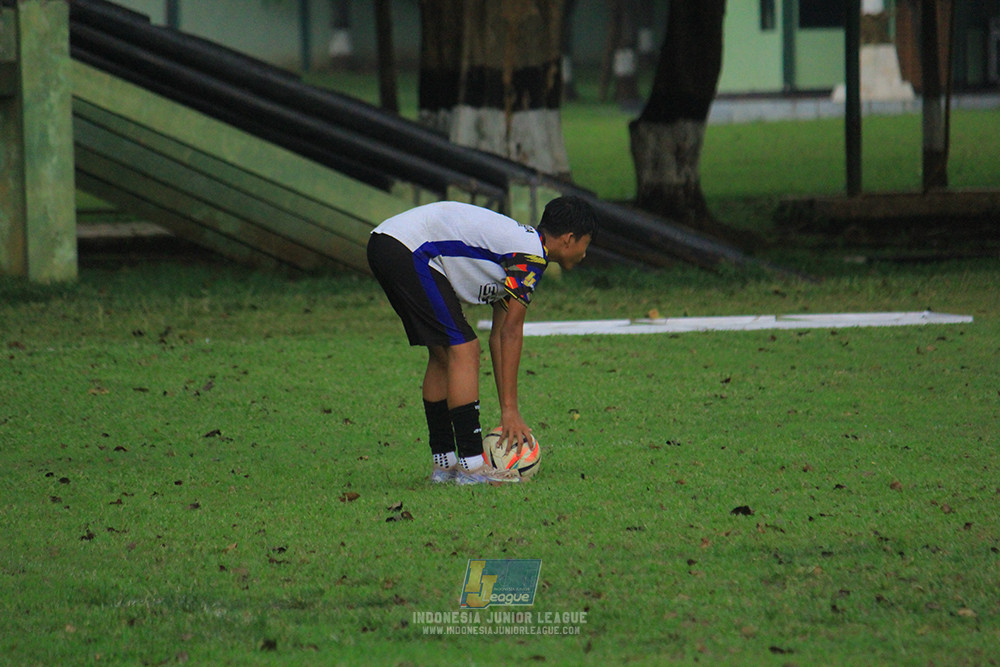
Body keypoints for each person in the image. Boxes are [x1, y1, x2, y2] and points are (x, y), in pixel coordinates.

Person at [367, 196, 598, 484]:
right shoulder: (530, 257)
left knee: (443, 355)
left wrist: (507, 411)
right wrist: (510, 412)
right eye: (585, 244)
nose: (585, 254)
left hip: (387, 242)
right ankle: (472, 467)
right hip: (407, 248)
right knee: (464, 348)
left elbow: (500, 337)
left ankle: (445, 465)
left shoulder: (519, 249)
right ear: (568, 239)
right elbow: (512, 333)